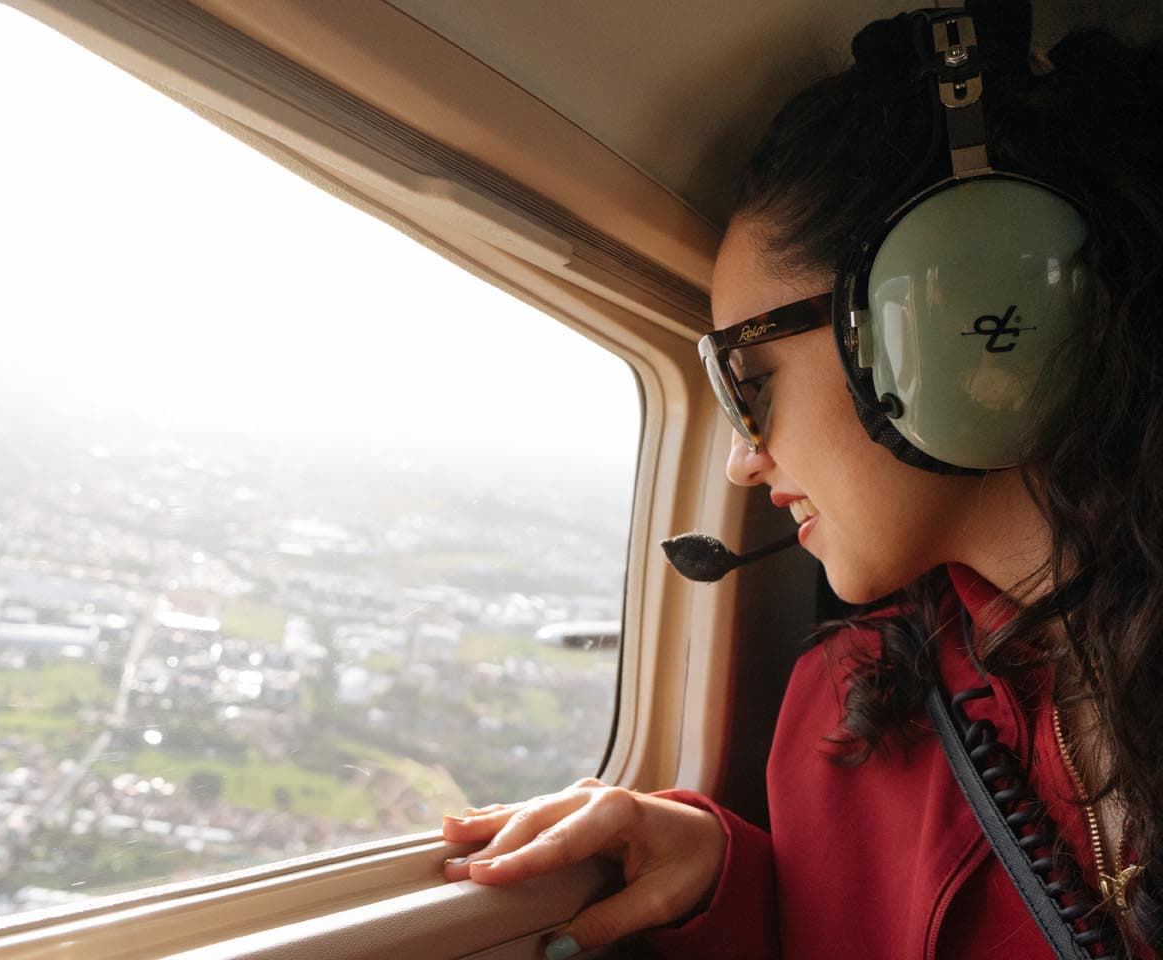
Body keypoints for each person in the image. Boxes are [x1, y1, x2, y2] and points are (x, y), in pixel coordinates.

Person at [440, 3, 1163, 958]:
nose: (742, 458)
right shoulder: (846, 717)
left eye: (754, 378)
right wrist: (730, 881)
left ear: (972, 320)